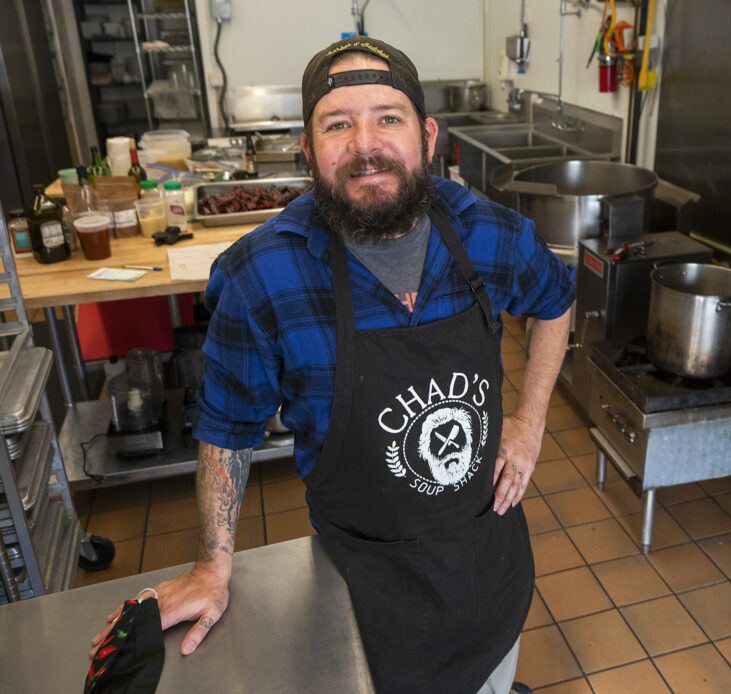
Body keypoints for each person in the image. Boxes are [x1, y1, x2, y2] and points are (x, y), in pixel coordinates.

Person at [92, 36, 575, 694]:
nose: (366, 145)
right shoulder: (266, 274)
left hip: (487, 572)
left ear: (427, 136)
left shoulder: (490, 235)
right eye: (338, 124)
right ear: (308, 148)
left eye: (388, 118)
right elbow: (228, 428)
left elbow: (555, 300)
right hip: (362, 590)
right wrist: (213, 565)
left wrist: (529, 420)